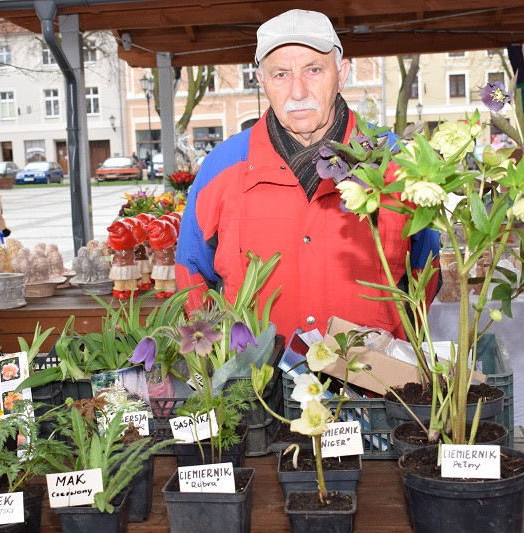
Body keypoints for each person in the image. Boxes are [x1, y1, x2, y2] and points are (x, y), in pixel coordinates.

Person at [175, 9, 440, 341]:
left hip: (373, 385)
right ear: (261, 82)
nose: (297, 91)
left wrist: (395, 350)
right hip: (258, 386)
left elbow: (426, 271)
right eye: (281, 74)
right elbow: (192, 274)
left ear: (341, 74)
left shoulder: (399, 162)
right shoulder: (221, 168)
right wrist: (231, 371)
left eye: (314, 70)